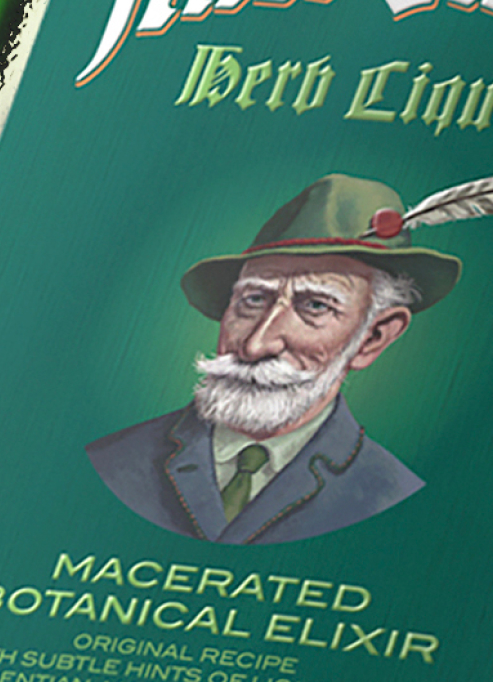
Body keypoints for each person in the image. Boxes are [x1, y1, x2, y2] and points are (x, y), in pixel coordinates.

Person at [86, 173, 461, 545]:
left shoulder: (391, 498)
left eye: (315, 306)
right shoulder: (116, 461)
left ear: (372, 339)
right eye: (253, 299)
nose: (255, 345)